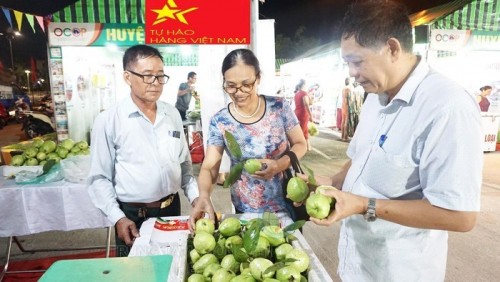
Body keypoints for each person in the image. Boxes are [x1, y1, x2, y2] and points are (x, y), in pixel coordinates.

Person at [304, 1, 483, 281]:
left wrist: (364, 205)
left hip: (399, 272)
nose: (351, 73)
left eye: (357, 61)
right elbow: (360, 159)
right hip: (356, 264)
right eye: (347, 63)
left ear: (392, 48)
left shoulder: (447, 107)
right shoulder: (375, 96)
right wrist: (329, 183)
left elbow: (460, 216)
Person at [87, 45, 199, 257]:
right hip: (132, 216)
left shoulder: (172, 114)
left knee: (173, 268)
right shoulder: (109, 120)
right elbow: (99, 178)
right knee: (135, 274)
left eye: (160, 76)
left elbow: (184, 166)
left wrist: (196, 199)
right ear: (127, 77)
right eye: (148, 76)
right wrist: (117, 217)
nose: (156, 83)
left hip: (171, 210)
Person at [188, 48, 307, 230]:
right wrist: (204, 195)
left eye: (246, 84)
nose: (239, 92)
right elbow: (210, 166)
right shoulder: (221, 121)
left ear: (257, 78)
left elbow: (301, 144)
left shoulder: (279, 107)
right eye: (231, 86)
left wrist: (279, 165)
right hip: (245, 209)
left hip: (286, 203)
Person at [294, 79, 313, 151]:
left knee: (305, 130)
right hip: (303, 114)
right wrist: (311, 115)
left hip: (297, 113)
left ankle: (308, 146)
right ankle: (299, 147)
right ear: (304, 85)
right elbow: (306, 104)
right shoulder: (304, 93)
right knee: (302, 130)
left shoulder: (297, 93)